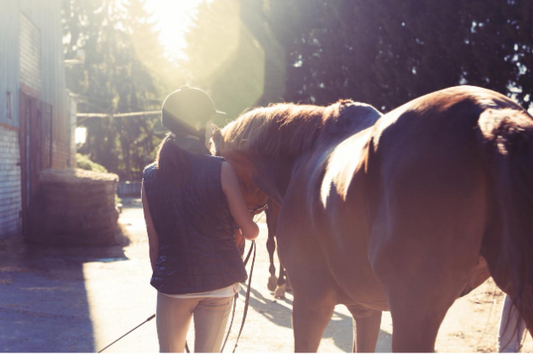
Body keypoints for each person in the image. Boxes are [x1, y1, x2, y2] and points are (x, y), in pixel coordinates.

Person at [142, 86, 260, 353]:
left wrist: (166, 284)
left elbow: (154, 242)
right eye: (209, 121)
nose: (212, 128)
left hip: (173, 284)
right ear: (197, 124)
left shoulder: (150, 175)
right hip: (219, 284)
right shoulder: (221, 168)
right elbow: (250, 233)